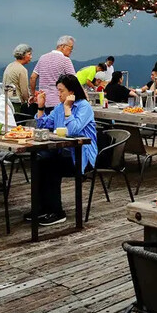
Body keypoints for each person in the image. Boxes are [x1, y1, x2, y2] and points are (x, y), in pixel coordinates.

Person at [31, 74, 97, 226]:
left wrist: (68, 108)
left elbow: (73, 130)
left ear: (71, 93)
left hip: (82, 157)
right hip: (63, 153)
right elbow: (42, 126)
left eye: (61, 91)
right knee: (40, 162)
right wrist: (41, 106)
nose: (59, 94)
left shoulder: (83, 107)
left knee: (51, 167)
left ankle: (57, 211)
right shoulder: (59, 107)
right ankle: (41, 208)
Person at [30, 36, 76, 114]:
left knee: (44, 124)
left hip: (42, 101)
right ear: (63, 46)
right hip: (58, 102)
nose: (71, 50)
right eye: (71, 47)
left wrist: (33, 94)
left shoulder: (42, 58)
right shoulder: (65, 60)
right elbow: (74, 81)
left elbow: (32, 77)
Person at [2, 44, 32, 109]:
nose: (31, 57)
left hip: (5, 98)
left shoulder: (10, 65)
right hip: (15, 101)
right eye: (29, 54)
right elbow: (24, 91)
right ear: (23, 55)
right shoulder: (22, 69)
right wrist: (29, 100)